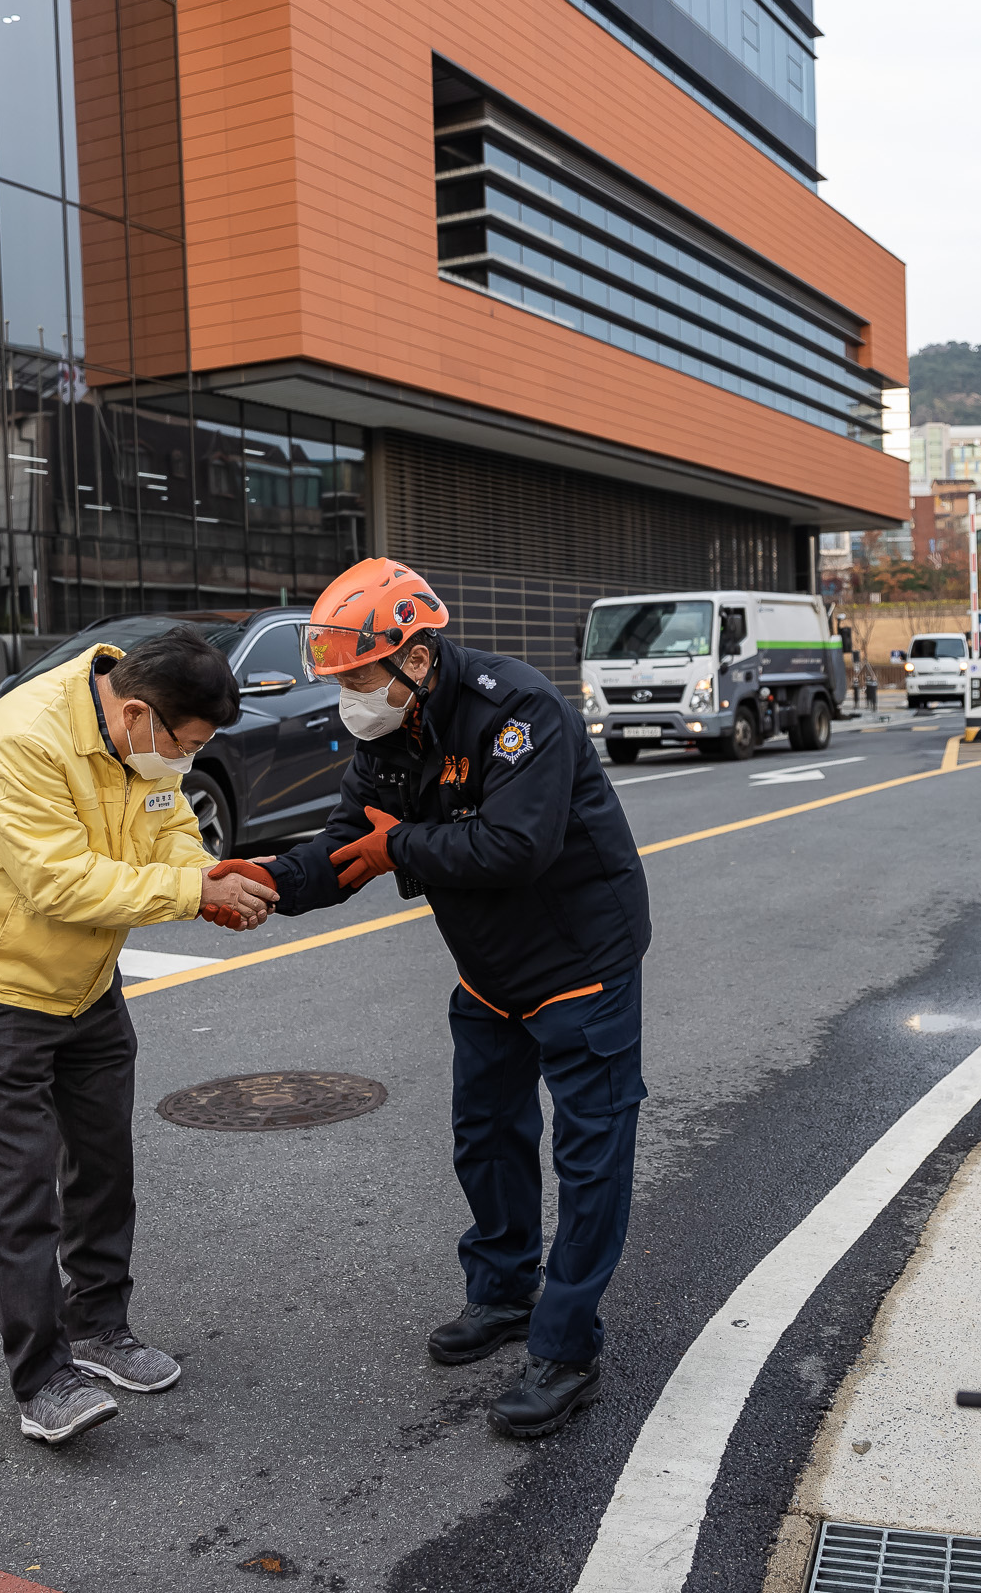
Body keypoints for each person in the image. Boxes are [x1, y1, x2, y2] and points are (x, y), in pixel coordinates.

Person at [257, 560, 650, 1438]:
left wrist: (405, 847)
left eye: (361, 677)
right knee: (486, 1133)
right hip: (490, 969)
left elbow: (513, 846)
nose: (351, 697)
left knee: (589, 1157)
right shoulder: (387, 736)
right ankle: (506, 1291)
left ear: (418, 656)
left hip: (579, 959)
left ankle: (566, 1347)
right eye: (342, 682)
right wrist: (267, 883)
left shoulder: (520, 712)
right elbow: (350, 844)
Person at [0, 627, 278, 1445]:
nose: (185, 762)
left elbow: (172, 824)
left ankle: (98, 1325)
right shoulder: (19, 739)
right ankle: (42, 1378)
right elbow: (57, 880)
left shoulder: (139, 742)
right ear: (138, 713)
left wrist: (206, 872)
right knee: (22, 1180)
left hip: (85, 983)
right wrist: (192, 892)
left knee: (104, 1159)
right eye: (184, 744)